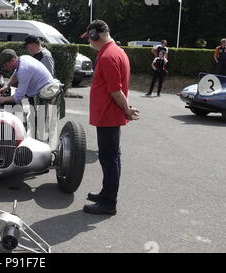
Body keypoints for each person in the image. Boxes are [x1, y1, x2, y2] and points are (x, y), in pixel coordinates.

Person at [80, 20, 139, 215]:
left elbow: (116, 90)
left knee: (109, 159)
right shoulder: (114, 52)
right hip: (108, 115)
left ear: (96, 35)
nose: (88, 40)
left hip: (108, 115)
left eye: (89, 36)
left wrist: (127, 110)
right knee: (111, 158)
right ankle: (106, 194)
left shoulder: (108, 56)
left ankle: (108, 203)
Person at [0, 49, 62, 149]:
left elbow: (18, 97)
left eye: (5, 65)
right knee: (34, 123)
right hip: (41, 94)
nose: (4, 67)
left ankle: (45, 153)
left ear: (13, 60)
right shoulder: (22, 59)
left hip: (47, 96)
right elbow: (15, 73)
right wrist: (7, 85)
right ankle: (35, 148)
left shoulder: (24, 69)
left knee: (43, 127)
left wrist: (3, 100)